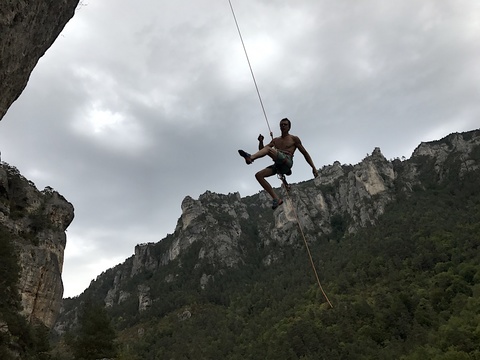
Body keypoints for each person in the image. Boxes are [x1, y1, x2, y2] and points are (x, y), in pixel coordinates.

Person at [238, 118, 319, 209]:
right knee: (258, 175)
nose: (283, 126)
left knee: (269, 150)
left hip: (287, 161)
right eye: (281, 125)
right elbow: (262, 150)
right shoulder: (276, 140)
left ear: (289, 127)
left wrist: (313, 167)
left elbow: (305, 153)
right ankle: (276, 198)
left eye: (285, 125)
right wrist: (261, 141)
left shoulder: (294, 139)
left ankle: (251, 157)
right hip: (278, 166)